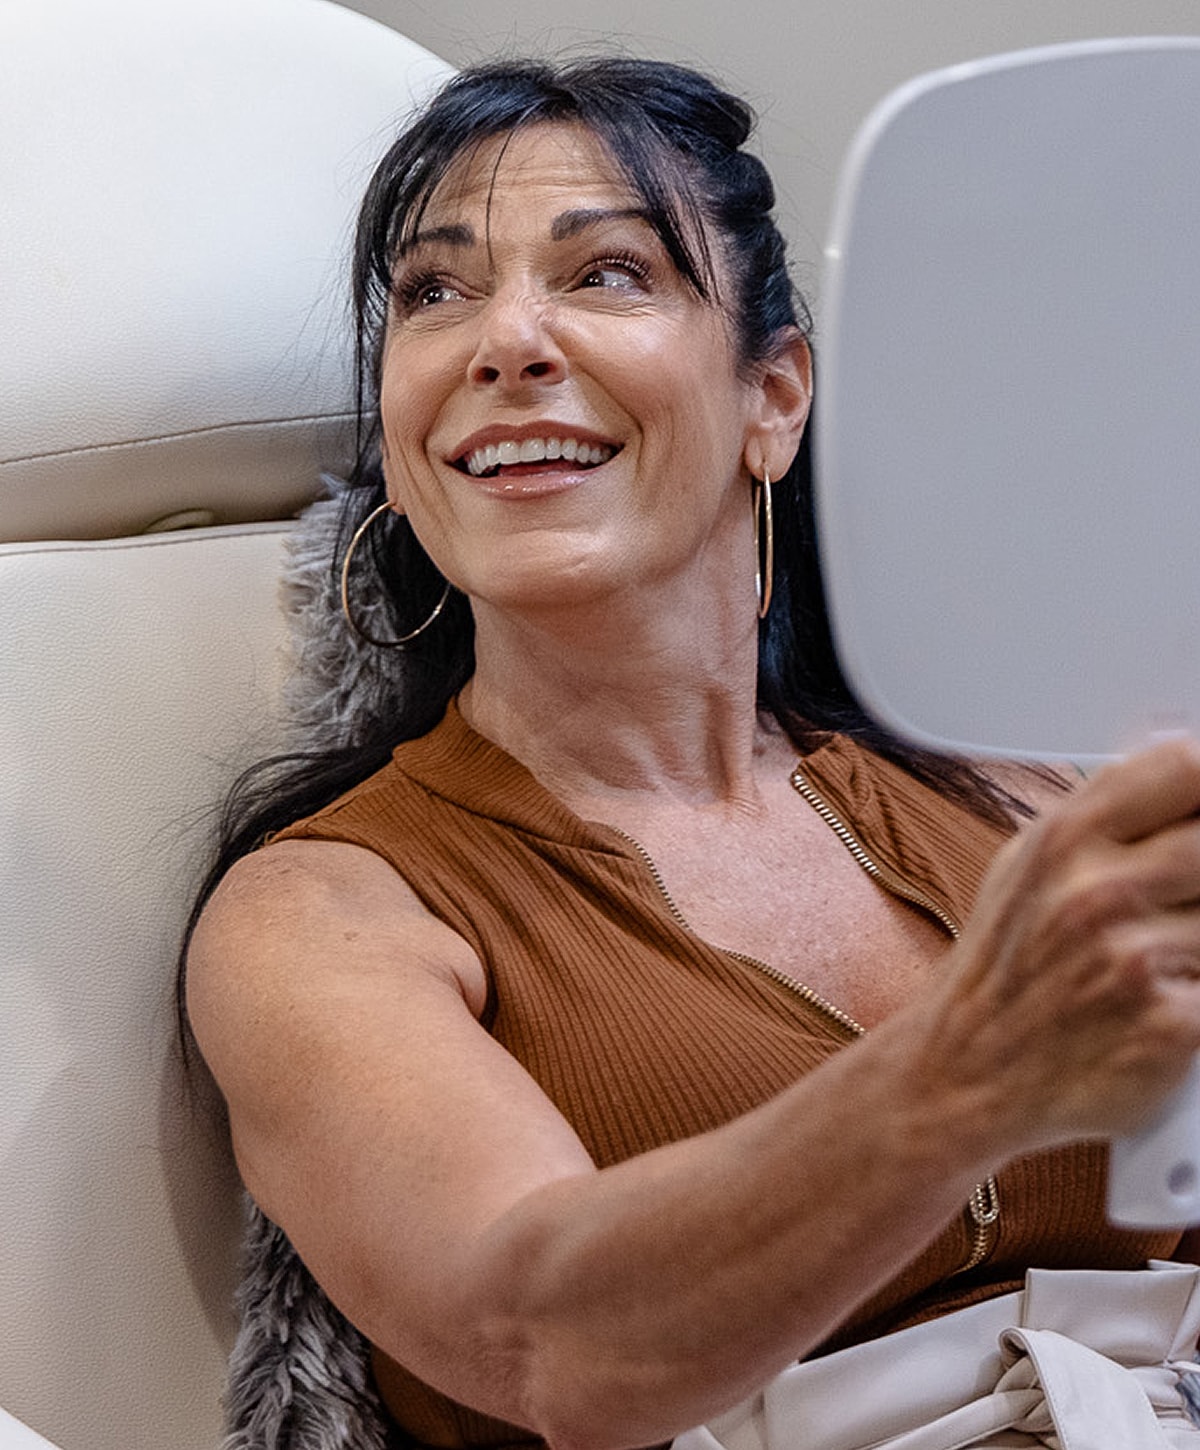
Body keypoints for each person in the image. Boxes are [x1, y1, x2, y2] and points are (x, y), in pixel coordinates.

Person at [183, 55, 1200, 1450]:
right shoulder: (322, 918)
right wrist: (974, 1068)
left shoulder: (1014, 794)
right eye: (435, 291)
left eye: (605, 274)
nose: (506, 340)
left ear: (774, 399)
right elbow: (551, 1340)